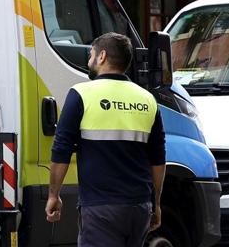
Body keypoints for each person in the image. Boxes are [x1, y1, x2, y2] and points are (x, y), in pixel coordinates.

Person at [46, 32, 166, 247]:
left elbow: (61, 149)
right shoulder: (147, 99)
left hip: (101, 208)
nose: (89, 60)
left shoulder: (81, 93)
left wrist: (54, 195)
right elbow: (158, 158)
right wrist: (155, 203)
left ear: (102, 56)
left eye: (91, 54)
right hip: (139, 208)